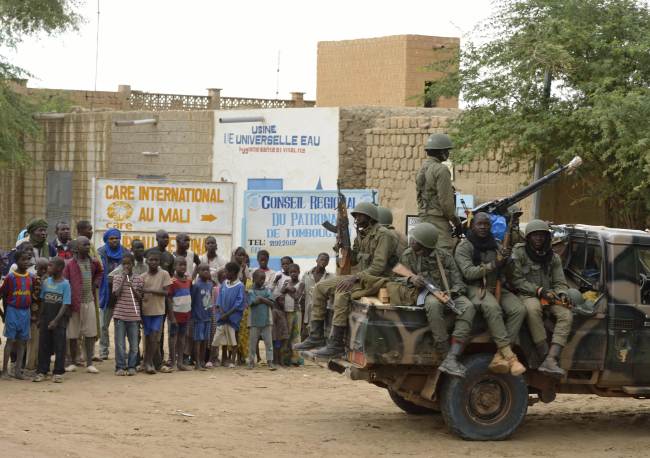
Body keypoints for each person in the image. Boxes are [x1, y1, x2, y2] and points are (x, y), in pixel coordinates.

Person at [296, 202, 397, 359]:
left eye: (360, 215)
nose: (356, 218)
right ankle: (316, 336)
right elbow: (355, 260)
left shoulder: (383, 234)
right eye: (355, 215)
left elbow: (378, 266)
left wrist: (354, 277)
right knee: (319, 288)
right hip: (361, 277)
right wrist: (342, 248)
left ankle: (336, 344)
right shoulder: (361, 235)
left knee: (342, 292)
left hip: (377, 279)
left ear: (370, 217)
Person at [388, 222, 476, 377]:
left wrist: (452, 293)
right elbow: (394, 279)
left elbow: (458, 282)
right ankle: (444, 353)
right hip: (424, 295)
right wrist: (411, 280)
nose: (412, 242)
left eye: (416, 241)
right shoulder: (408, 256)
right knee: (433, 305)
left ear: (426, 245)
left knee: (468, 307)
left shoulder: (444, 257)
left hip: (447, 294)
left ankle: (453, 355)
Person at [454, 212, 526, 376]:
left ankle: (499, 355)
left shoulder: (496, 244)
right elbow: (468, 273)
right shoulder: (464, 246)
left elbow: (509, 273)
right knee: (492, 308)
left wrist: (507, 261)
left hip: (496, 285)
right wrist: (493, 264)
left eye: (486, 224)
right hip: (475, 287)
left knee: (518, 309)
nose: (483, 227)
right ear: (473, 226)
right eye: (479, 224)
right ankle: (509, 356)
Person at [512, 219, 573, 378]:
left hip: (549, 295)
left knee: (566, 314)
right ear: (528, 237)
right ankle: (544, 354)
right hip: (527, 294)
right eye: (535, 235)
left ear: (547, 238)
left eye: (542, 235)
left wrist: (562, 295)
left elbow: (560, 282)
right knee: (532, 309)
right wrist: (538, 291)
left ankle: (551, 358)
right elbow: (517, 280)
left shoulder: (553, 257)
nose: (539, 238)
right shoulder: (519, 253)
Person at [415, 133, 461, 252]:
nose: (448, 153)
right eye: (447, 150)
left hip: (423, 219)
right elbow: (446, 204)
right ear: (441, 152)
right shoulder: (441, 170)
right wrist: (457, 222)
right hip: (438, 223)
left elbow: (419, 197)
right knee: (444, 256)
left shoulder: (422, 169)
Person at [63, 236, 103, 374]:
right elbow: (66, 284)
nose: (87, 246)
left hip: (89, 300)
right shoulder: (69, 264)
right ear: (76, 248)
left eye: (88, 244)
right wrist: (67, 304)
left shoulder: (94, 262)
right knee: (73, 334)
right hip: (74, 303)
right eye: (84, 244)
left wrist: (95, 283)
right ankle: (73, 361)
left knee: (90, 333)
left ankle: (89, 363)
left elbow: (100, 273)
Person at [33, 257, 70, 383]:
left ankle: (58, 372)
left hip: (59, 321)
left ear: (59, 268)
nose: (47, 268)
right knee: (44, 345)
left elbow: (65, 304)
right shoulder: (46, 282)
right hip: (45, 318)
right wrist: (39, 318)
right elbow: (43, 300)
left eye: (50, 266)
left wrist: (56, 321)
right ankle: (42, 371)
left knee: (60, 346)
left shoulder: (65, 284)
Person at [0, 251, 35, 379]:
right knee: (10, 341)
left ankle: (18, 371)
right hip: (13, 311)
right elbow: (2, 293)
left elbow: (32, 295)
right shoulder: (10, 277)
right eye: (23, 260)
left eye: (28, 260)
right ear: (16, 261)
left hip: (25, 312)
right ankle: (4, 371)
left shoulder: (31, 277)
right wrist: (3, 313)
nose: (26, 262)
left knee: (22, 342)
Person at [98, 228, 130, 360]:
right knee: (103, 325)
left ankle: (120, 351)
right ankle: (103, 351)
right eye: (111, 238)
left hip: (121, 294)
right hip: (106, 293)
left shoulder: (125, 252)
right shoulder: (101, 252)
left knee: (121, 326)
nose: (115, 240)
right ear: (106, 240)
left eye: (117, 238)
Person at [140, 250, 172, 375]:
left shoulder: (164, 274)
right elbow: (140, 294)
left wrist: (150, 290)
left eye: (156, 260)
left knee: (154, 336)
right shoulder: (142, 277)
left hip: (159, 311)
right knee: (148, 338)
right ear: (146, 261)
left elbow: (166, 292)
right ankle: (151, 362)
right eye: (151, 260)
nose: (153, 262)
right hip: (146, 311)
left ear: (159, 262)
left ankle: (148, 363)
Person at [112, 253, 144, 376]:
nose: (126, 266)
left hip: (134, 316)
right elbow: (116, 294)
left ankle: (132, 366)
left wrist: (133, 288)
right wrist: (124, 279)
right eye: (124, 264)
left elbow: (141, 297)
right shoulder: (117, 277)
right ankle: (120, 367)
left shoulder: (138, 279)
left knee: (134, 344)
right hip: (120, 315)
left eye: (129, 264)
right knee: (120, 344)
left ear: (133, 264)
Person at [213, 262, 245, 368]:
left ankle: (232, 360)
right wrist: (221, 312)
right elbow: (220, 298)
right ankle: (224, 358)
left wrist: (228, 314)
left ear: (233, 272)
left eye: (227, 271)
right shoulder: (224, 283)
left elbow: (239, 303)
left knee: (233, 337)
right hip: (222, 315)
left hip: (233, 316)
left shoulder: (240, 285)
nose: (225, 273)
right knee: (222, 336)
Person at [247, 269, 276, 370]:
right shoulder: (251, 290)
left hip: (267, 321)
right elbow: (252, 302)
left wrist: (262, 299)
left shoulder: (267, 290)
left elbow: (272, 303)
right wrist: (264, 300)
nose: (262, 281)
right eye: (260, 279)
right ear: (254, 279)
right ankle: (251, 362)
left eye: (264, 279)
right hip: (254, 322)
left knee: (269, 343)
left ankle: (270, 362)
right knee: (252, 344)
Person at [277, 263, 304, 366]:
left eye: (295, 272)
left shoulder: (301, 284)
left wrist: (288, 289)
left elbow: (297, 297)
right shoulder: (287, 281)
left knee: (296, 336)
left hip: (296, 312)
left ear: (299, 272)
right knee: (286, 335)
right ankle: (286, 358)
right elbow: (281, 291)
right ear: (288, 273)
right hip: (286, 312)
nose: (293, 274)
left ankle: (296, 359)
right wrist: (288, 289)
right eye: (291, 272)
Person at [301, 253, 333, 339]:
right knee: (306, 337)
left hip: (322, 313)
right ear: (317, 260)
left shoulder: (331, 277)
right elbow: (302, 295)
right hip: (308, 313)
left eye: (326, 260)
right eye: (322, 259)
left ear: (328, 263)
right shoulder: (306, 275)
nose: (324, 261)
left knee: (320, 337)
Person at [167, 257, 191, 371]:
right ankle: (172, 362)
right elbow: (169, 299)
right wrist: (171, 317)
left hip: (185, 315)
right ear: (175, 267)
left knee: (182, 338)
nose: (183, 267)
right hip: (175, 316)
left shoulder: (188, 281)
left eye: (184, 265)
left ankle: (180, 362)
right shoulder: (172, 282)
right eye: (180, 265)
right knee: (173, 338)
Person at [25, 258, 49, 373]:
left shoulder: (43, 280)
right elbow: (37, 299)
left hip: (39, 316)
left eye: (46, 268)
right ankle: (31, 366)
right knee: (33, 342)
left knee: (37, 342)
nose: (44, 270)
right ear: (36, 268)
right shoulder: (36, 280)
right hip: (35, 316)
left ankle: (34, 365)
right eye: (42, 268)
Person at [191, 263, 214, 370]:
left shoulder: (210, 285)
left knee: (205, 340)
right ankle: (197, 363)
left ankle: (202, 360)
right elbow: (193, 301)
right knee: (198, 340)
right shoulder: (196, 285)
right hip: (198, 317)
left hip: (208, 317)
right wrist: (193, 316)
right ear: (198, 272)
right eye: (203, 270)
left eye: (207, 270)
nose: (206, 272)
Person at [232, 247, 252, 364]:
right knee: (233, 330)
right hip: (232, 301)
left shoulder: (245, 268)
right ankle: (232, 356)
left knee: (242, 330)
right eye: (239, 255)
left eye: (243, 255)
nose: (241, 257)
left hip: (242, 302)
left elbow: (245, 284)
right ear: (235, 255)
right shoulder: (231, 267)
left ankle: (241, 355)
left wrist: (244, 270)